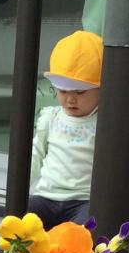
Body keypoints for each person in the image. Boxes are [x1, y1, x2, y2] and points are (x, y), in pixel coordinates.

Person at [27, 30, 105, 231]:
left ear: (101, 89)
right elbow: (35, 153)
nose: (70, 99)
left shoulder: (103, 123)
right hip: (46, 195)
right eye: (63, 91)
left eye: (79, 92)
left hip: (83, 199)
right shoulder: (51, 117)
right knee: (20, 228)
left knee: (84, 235)